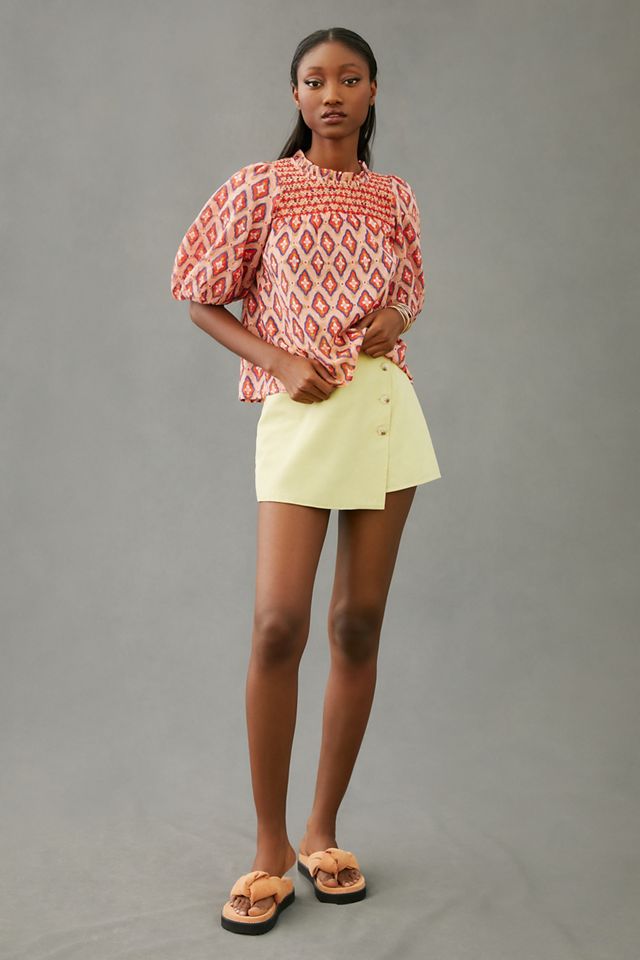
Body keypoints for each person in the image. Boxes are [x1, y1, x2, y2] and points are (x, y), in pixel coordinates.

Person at [170, 26, 442, 935]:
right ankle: (268, 849)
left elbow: (410, 289)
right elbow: (197, 289)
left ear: (372, 92)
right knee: (279, 623)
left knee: (356, 623)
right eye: (315, 80)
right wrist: (281, 361)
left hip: (383, 414)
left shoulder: (394, 196)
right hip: (301, 416)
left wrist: (395, 316)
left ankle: (323, 833)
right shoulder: (263, 186)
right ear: (295, 95)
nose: (332, 94)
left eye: (349, 78)